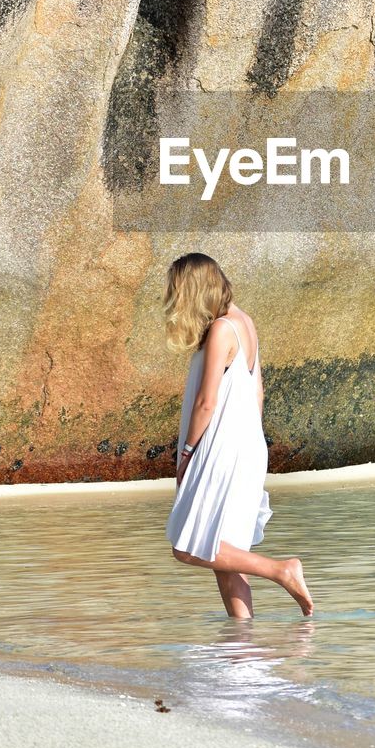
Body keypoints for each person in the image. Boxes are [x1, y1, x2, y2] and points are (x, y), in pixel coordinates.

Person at [164, 252, 314, 619]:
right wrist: (249, 443)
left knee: (188, 547)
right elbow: (258, 393)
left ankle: (282, 570)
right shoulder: (243, 321)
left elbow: (206, 402)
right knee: (226, 555)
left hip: (221, 449)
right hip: (246, 446)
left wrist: (186, 454)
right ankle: (241, 643)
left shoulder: (220, 330)